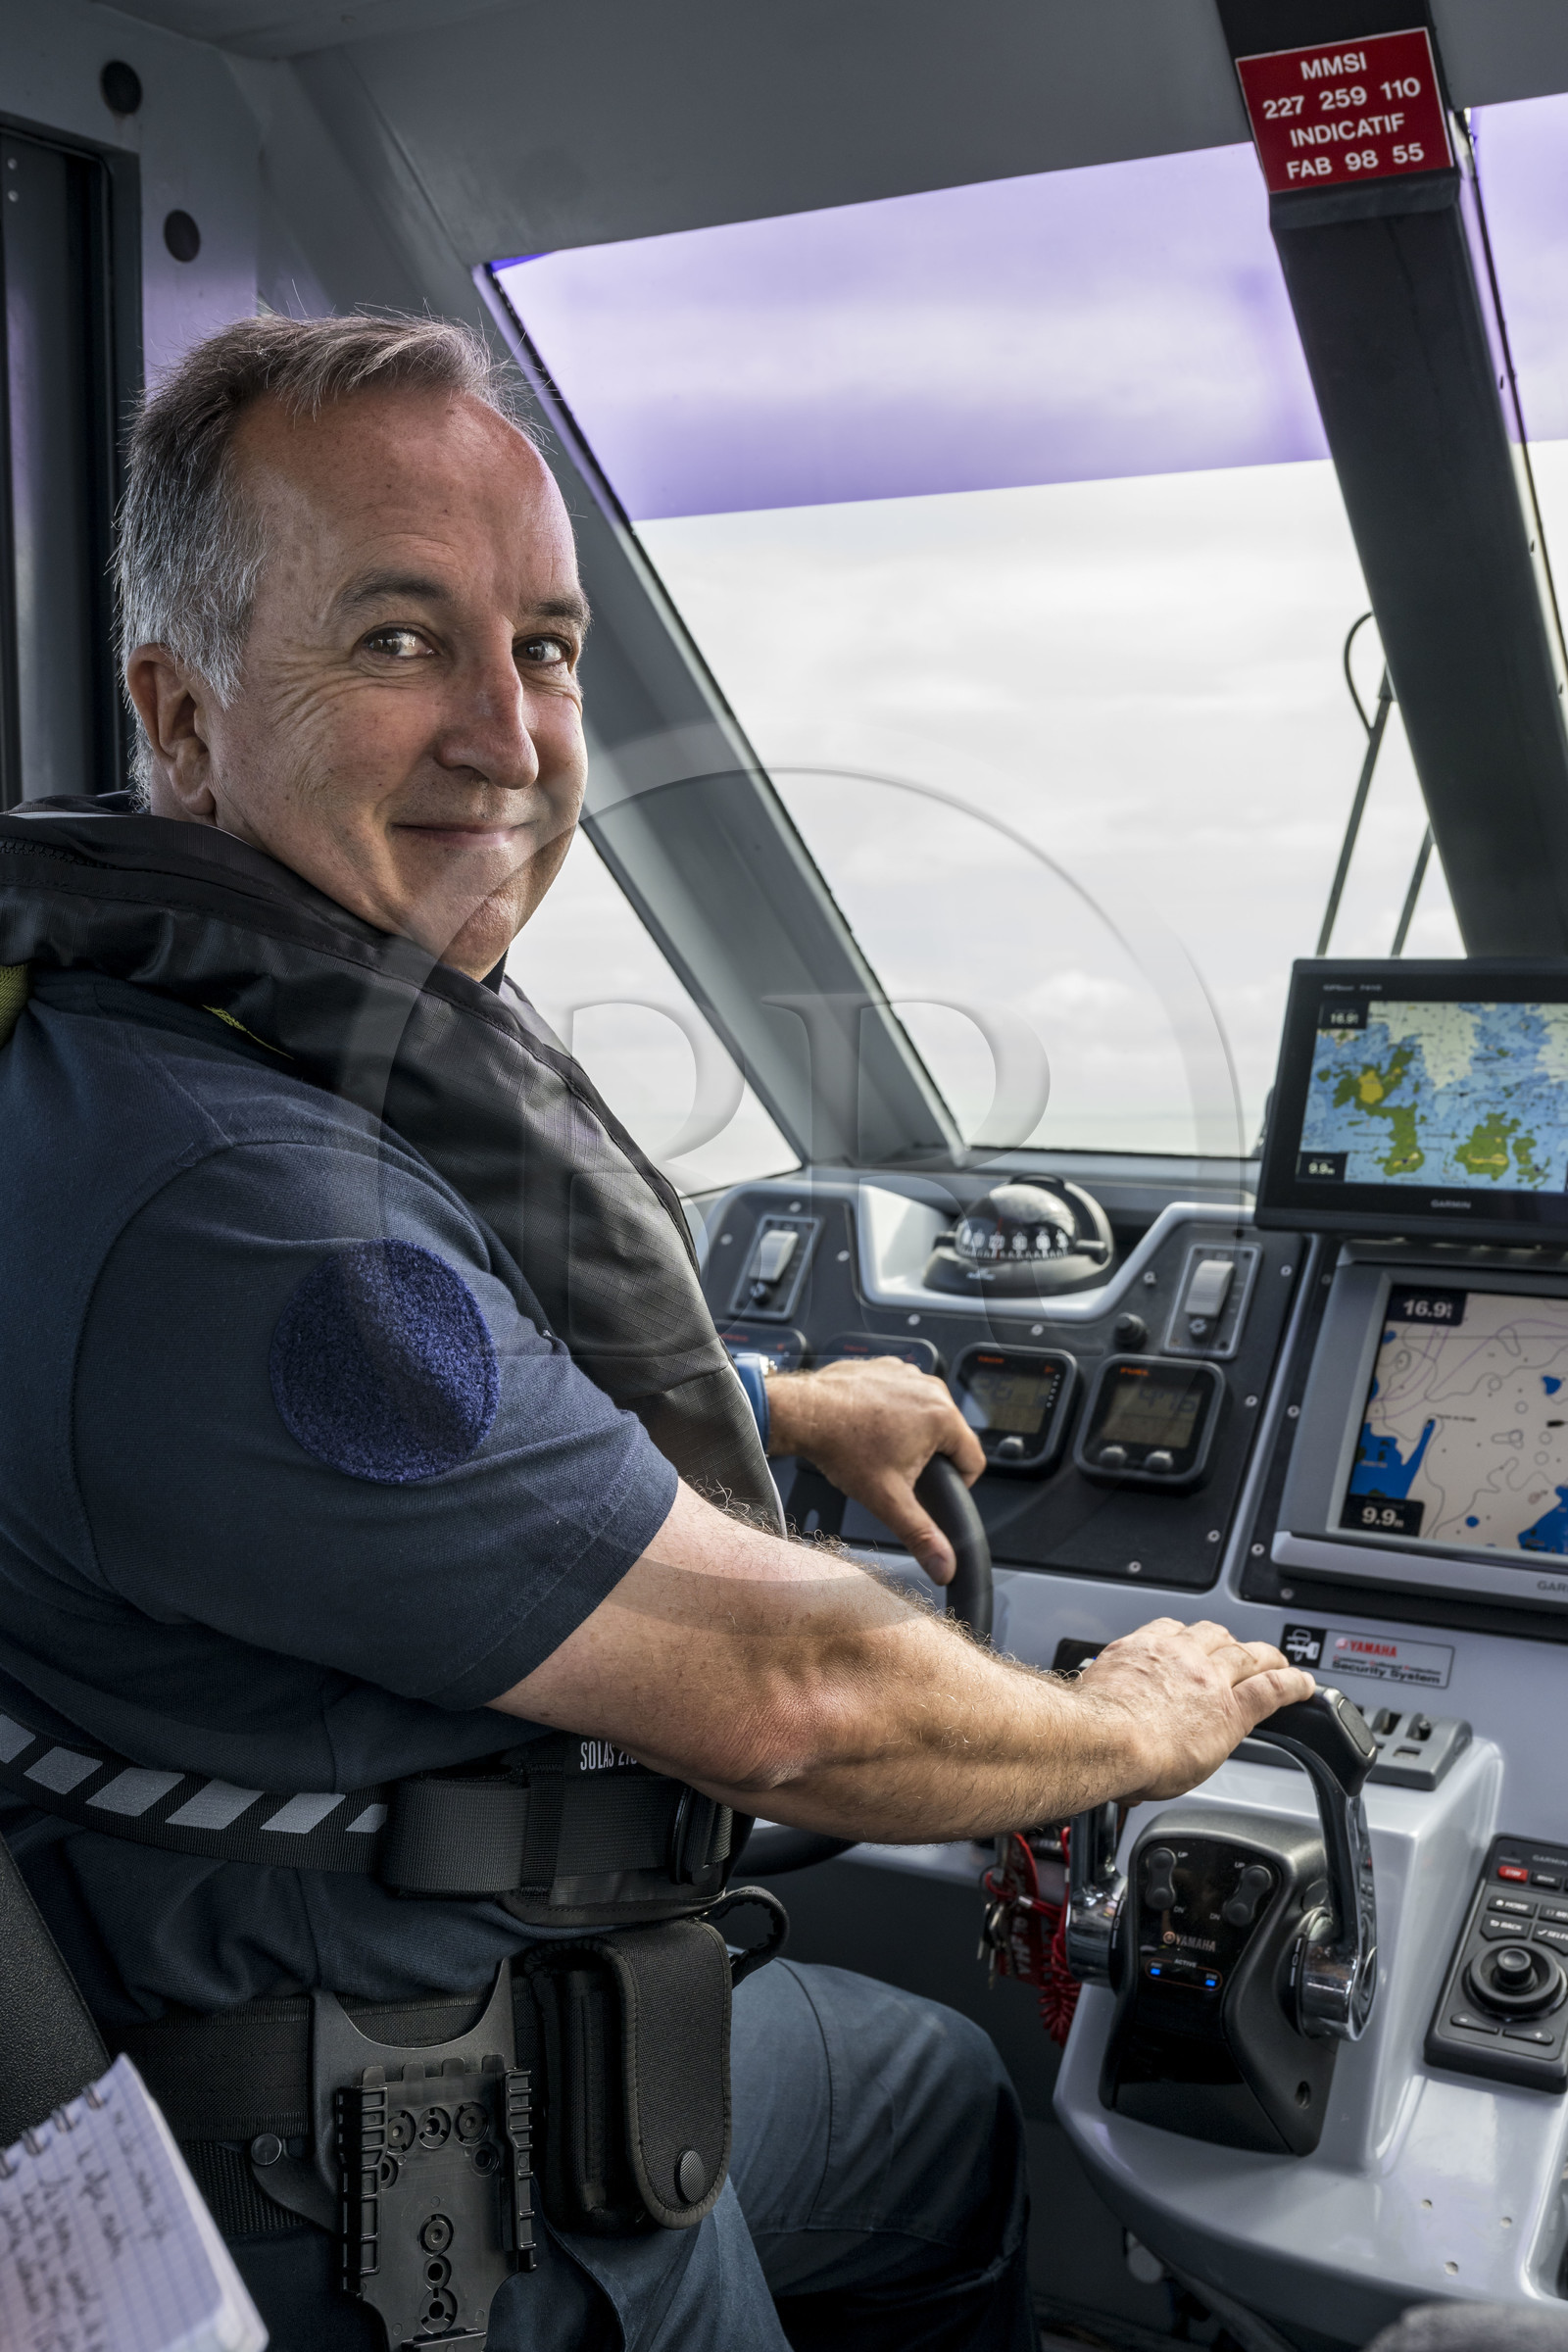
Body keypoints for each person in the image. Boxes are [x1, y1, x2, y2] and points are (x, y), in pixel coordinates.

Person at [0, 315, 1313, 2352]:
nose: (508, 742)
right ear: (181, 716)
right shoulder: (234, 1208)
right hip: (396, 2157)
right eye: (396, 641)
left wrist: (772, 1404)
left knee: (941, 2103)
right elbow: (795, 1691)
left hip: (368, 1985)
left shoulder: (134, 1046)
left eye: (539, 647)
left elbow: (375, 1434)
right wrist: (1143, 1721)